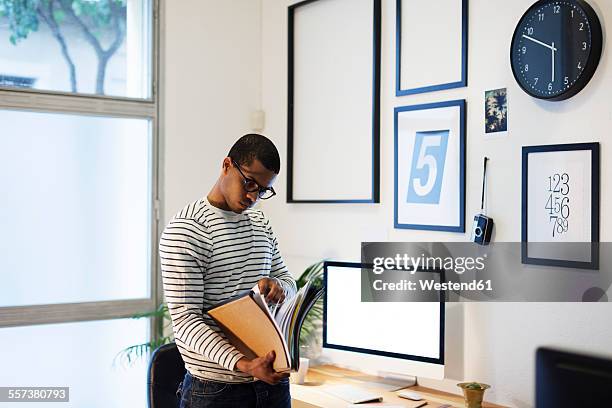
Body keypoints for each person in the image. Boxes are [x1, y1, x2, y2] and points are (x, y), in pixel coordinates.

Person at [160, 134, 297, 408]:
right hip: (217, 391)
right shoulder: (186, 231)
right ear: (226, 165)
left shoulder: (260, 222)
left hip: (272, 384)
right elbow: (186, 322)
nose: (252, 196)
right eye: (249, 183)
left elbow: (288, 281)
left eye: (263, 190)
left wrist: (279, 287)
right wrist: (246, 365)